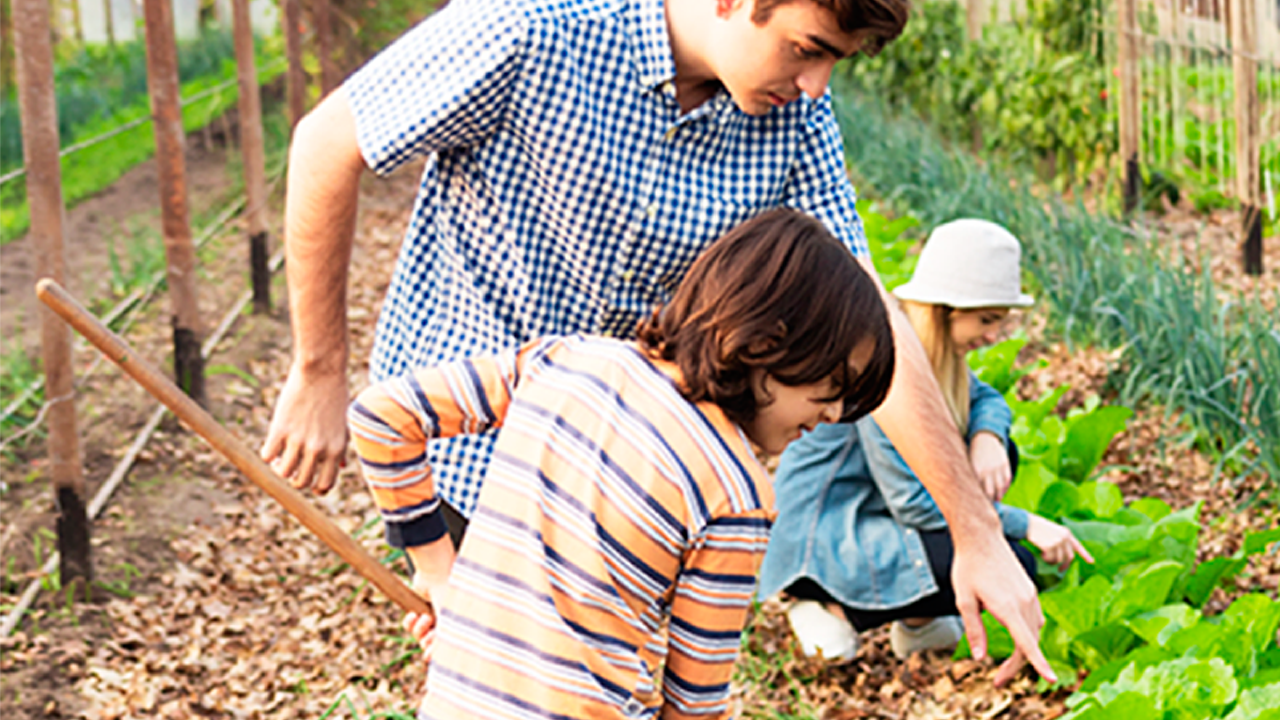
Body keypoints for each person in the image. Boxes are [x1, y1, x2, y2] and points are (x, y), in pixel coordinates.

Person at [264, 0, 1058, 682]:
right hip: (471, 449)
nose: (817, 85)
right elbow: (330, 142)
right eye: (808, 49)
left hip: (628, 472)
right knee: (518, 680)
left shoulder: (795, 121)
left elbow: (866, 316)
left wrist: (974, 532)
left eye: (834, 63)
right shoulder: (536, 28)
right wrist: (319, 371)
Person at [348, 210, 896, 718]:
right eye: (835, 384)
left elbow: (383, 419)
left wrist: (444, 580)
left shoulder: (565, 361)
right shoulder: (737, 493)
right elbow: (694, 704)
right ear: (766, 343)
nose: (835, 413)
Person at [757, 219, 1093, 662]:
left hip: (875, 511)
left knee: (1000, 463)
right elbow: (914, 504)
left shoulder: (930, 351)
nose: (994, 336)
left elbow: (984, 397)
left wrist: (988, 437)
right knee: (1013, 559)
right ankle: (831, 608)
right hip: (824, 538)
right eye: (987, 320)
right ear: (944, 310)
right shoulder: (886, 365)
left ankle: (917, 623)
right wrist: (1025, 522)